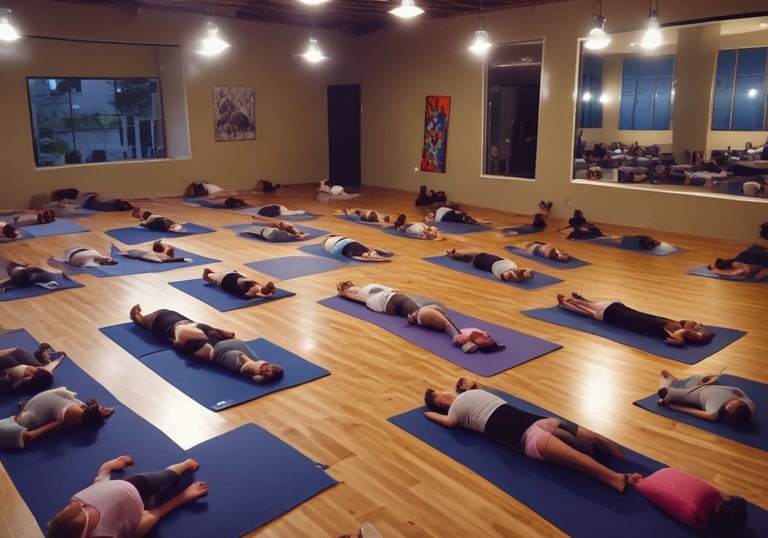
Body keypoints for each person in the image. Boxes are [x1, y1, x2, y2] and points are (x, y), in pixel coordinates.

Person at [423, 383, 641, 493]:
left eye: (440, 393)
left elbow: (471, 382)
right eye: (437, 400)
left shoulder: (471, 392)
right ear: (440, 407)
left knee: (595, 440)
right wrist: (429, 411)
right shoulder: (454, 414)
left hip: (540, 421)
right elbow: (442, 420)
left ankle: (629, 462)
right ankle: (617, 478)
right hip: (527, 437)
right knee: (581, 461)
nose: (442, 397)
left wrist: (461, 387)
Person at [45, 455, 208, 538]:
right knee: (146, 523)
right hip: (131, 516)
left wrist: (111, 464)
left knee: (168, 476)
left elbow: (101, 477)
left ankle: (185, 463)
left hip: (134, 486)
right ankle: (181, 497)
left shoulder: (77, 501)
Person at [336, 281, 503, 353]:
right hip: (395, 304)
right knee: (426, 312)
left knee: (431, 311)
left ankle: (456, 335)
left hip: (399, 302)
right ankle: (454, 335)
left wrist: (346, 292)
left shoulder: (372, 288)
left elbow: (363, 296)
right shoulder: (371, 297)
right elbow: (362, 299)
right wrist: (346, 294)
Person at [129, 305, 283, 382]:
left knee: (170, 321)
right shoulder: (211, 340)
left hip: (174, 328)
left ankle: (139, 319)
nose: (267, 367)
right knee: (176, 319)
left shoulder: (162, 321)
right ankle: (141, 319)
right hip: (197, 330)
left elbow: (242, 362)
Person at [556, 292, 715, 345]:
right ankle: (577, 300)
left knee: (591, 312)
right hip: (623, 312)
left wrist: (683, 337)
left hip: (620, 317)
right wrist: (695, 328)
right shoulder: (679, 326)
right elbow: (689, 324)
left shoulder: (676, 332)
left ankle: (568, 303)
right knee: (595, 308)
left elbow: (682, 333)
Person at [632, 467, 748, 532]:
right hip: (665, 475)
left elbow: (671, 500)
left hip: (660, 476)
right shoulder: (714, 495)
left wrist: (640, 483)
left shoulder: (698, 517)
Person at [0, 386, 114, 449]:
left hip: (23, 416)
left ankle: (93, 414)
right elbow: (30, 436)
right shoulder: (76, 409)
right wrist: (56, 424)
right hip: (23, 419)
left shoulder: (77, 408)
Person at [657, 369, 755, 428]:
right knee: (705, 375)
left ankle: (669, 382)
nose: (731, 403)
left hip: (696, 395)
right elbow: (737, 391)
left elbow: (690, 411)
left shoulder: (713, 413)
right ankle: (675, 381)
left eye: (731, 407)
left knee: (664, 393)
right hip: (713, 387)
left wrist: (674, 406)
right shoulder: (750, 405)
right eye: (736, 403)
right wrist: (708, 382)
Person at [445, 248, 533, 282]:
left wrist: (516, 275)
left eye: (524, 273)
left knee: (471, 257)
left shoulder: (506, 275)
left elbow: (507, 275)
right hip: (494, 259)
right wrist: (522, 271)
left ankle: (454, 255)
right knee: (475, 253)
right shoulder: (514, 268)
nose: (523, 271)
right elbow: (529, 269)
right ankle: (456, 254)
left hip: (484, 262)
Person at [202, 268, 275, 299]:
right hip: (226, 278)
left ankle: (213, 274)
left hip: (234, 275)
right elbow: (246, 296)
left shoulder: (256, 285)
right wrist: (260, 296)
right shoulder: (254, 288)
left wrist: (264, 294)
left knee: (216, 277)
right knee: (212, 277)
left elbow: (248, 295)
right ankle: (209, 274)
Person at [322, 236, 393, 262]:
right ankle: (375, 254)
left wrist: (382, 260)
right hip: (346, 243)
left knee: (361, 253)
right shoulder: (333, 240)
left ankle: (375, 255)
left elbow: (360, 258)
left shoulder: (327, 245)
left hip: (341, 246)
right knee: (364, 251)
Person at [242, 215, 310, 241]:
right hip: (267, 233)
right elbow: (298, 235)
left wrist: (304, 234)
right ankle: (257, 220)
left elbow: (298, 236)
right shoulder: (287, 234)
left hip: (266, 233)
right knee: (276, 224)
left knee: (275, 224)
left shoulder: (287, 235)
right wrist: (305, 234)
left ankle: (257, 220)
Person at [117, 241, 191, 263]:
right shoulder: (162, 255)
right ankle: (159, 245)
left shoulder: (160, 254)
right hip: (153, 255)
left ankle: (158, 244)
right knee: (170, 249)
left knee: (170, 250)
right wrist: (184, 259)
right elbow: (178, 258)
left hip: (145, 254)